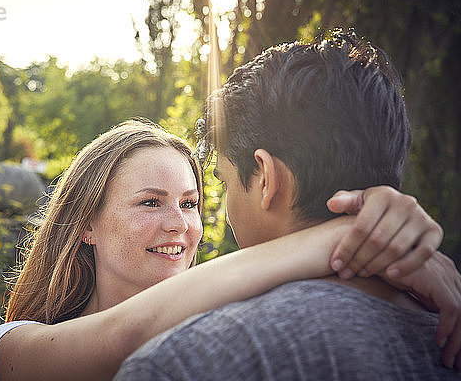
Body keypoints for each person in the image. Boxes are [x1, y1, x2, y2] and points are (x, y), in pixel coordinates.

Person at [115, 30, 461, 380]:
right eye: (150, 202)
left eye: (224, 182)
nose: (180, 222)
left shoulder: (191, 360)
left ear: (265, 178)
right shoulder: (447, 326)